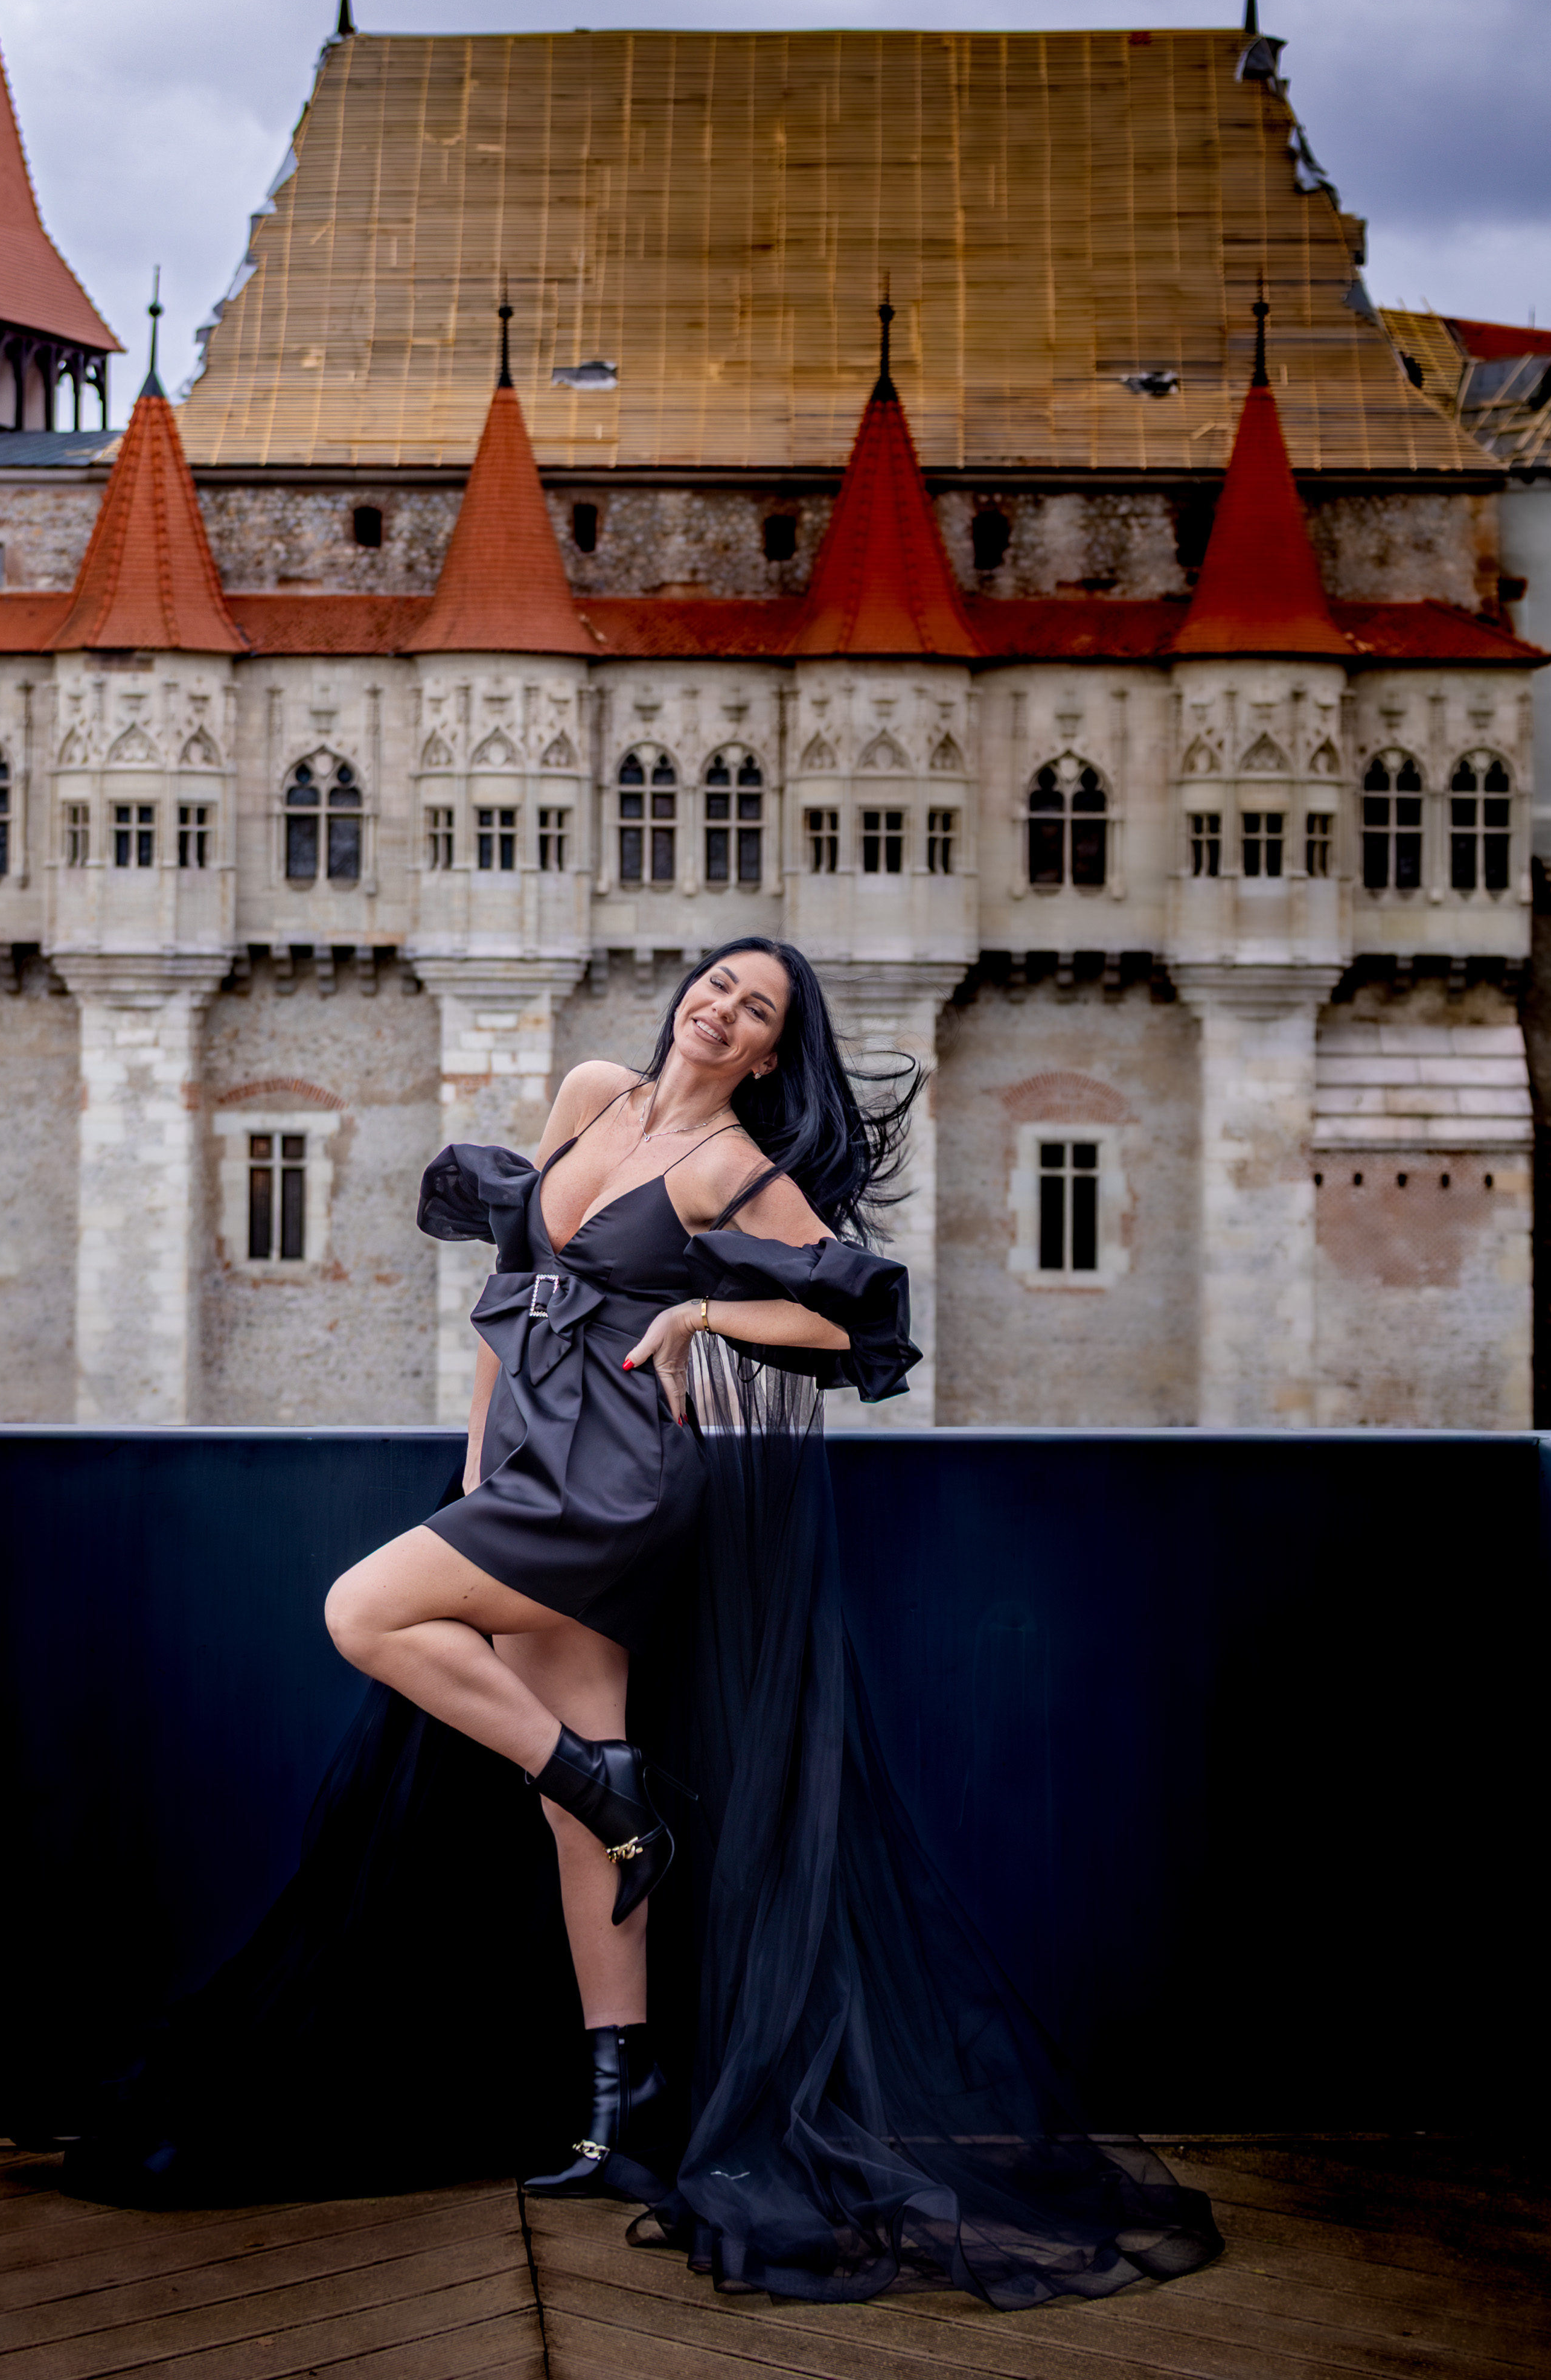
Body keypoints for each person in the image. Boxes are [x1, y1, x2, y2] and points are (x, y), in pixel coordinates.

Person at [59, 936, 1220, 2312]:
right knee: (579, 1812)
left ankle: (614, 1795)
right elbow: (511, 1290)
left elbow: (856, 1322)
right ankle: (621, 2103)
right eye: (717, 985)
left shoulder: (736, 1166)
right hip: (527, 1467)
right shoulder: (593, 1091)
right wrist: (478, 1457)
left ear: (771, 1053)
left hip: (619, 1479)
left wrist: (703, 1315)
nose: (721, 1009)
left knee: (360, 1609)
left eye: (755, 1008)